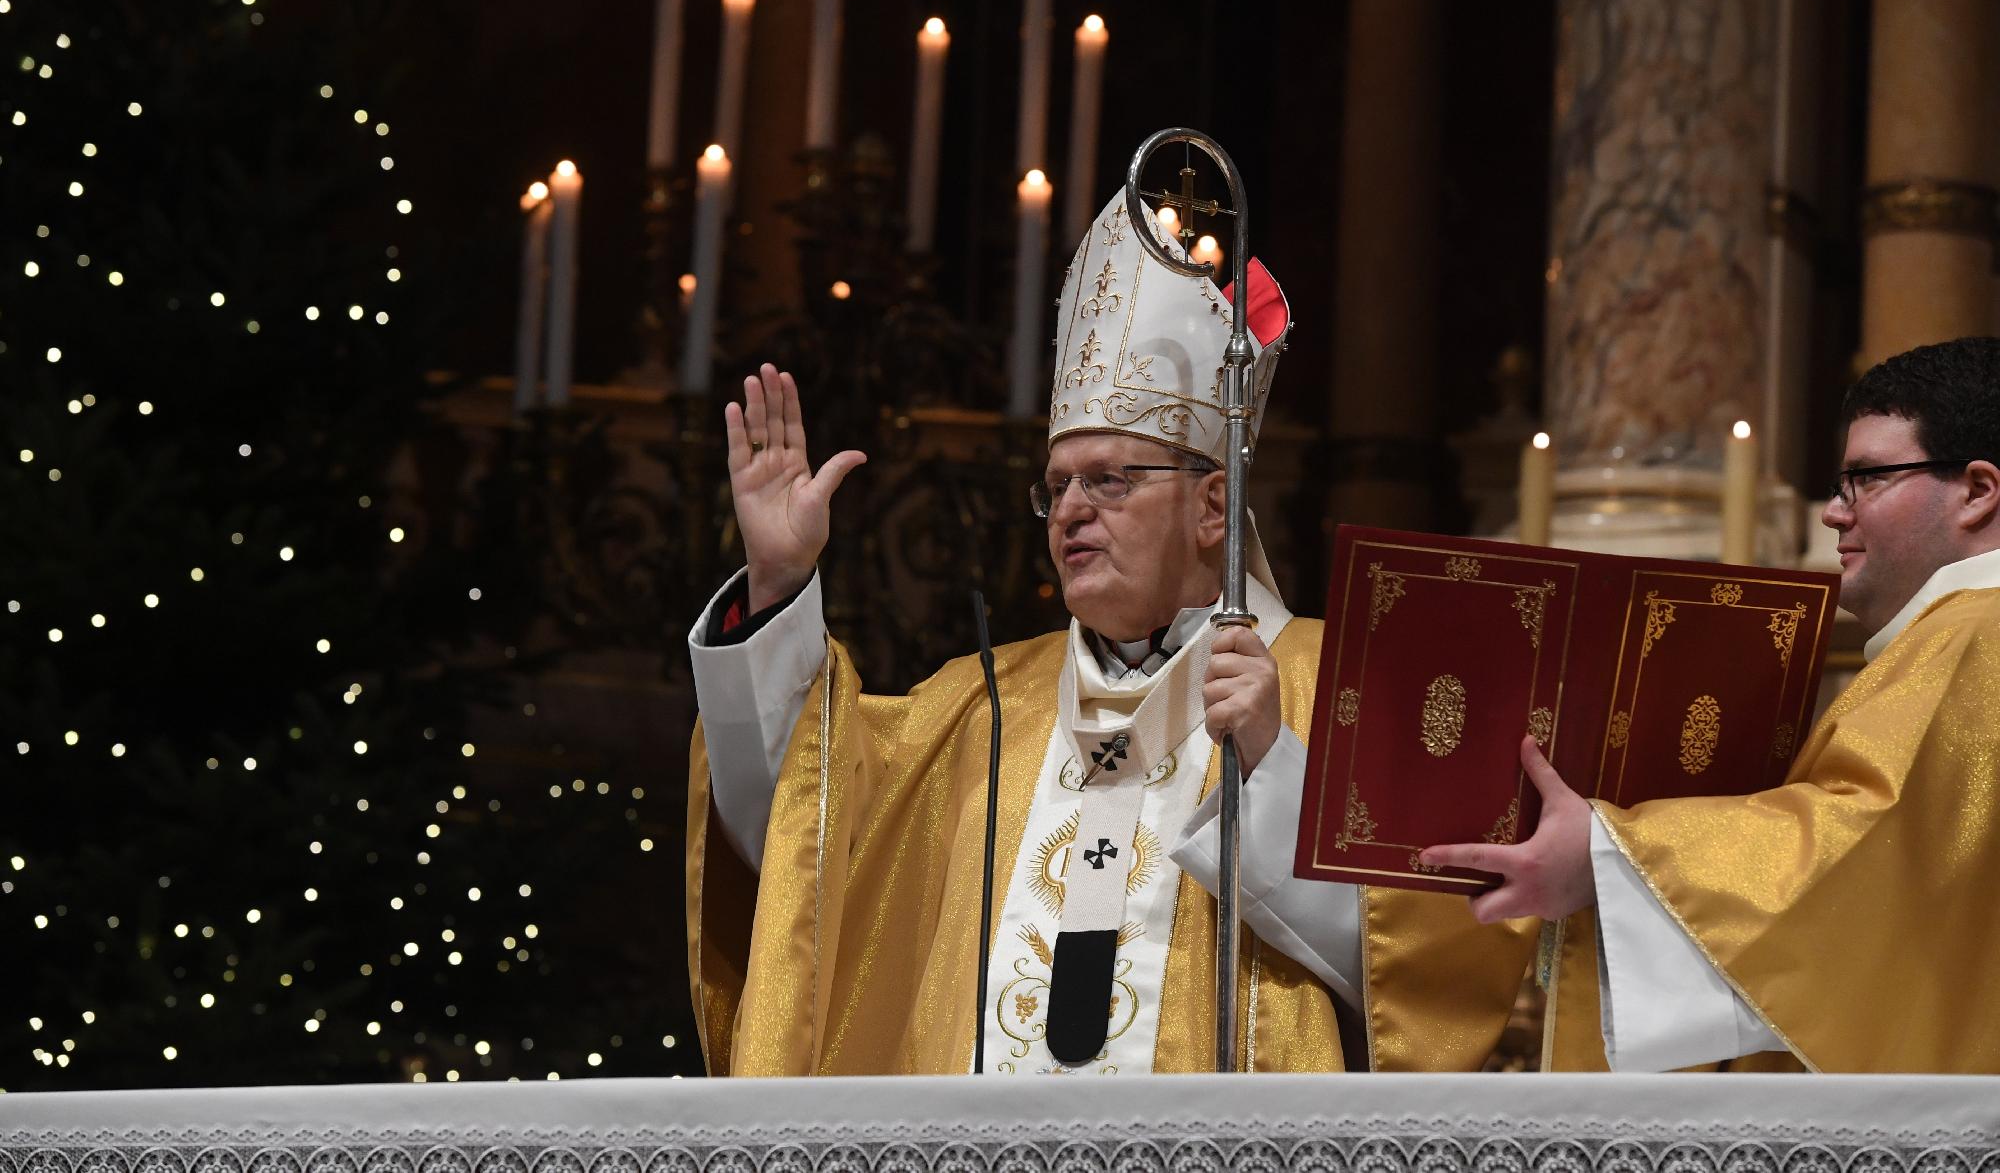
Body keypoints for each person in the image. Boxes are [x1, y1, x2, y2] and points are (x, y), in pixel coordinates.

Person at [685, 191, 1534, 1075]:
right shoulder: (978, 706)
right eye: (1056, 486)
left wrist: (1274, 768)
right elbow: (799, 838)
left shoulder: (1345, 684)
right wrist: (781, 583)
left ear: (1215, 505)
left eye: (1111, 480)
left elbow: (1443, 976)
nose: (1071, 513)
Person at [1423, 336, 2000, 1072]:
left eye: (1867, 479)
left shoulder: (1977, 632)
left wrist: (1605, 852)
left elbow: (1862, 844)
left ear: (1978, 490)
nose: (1833, 512)